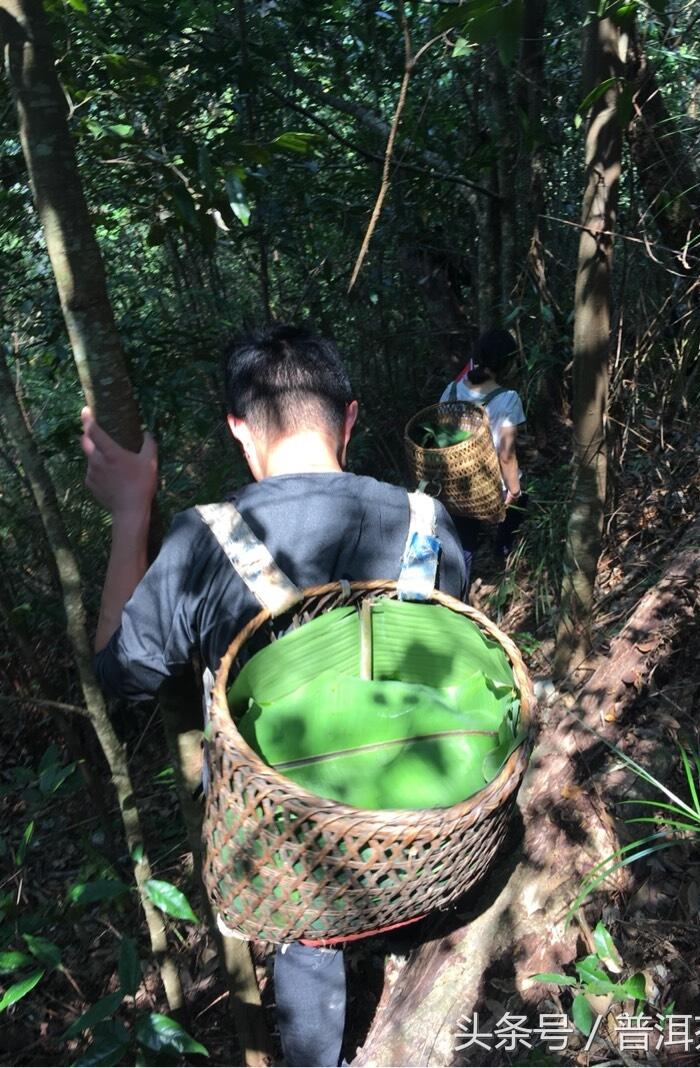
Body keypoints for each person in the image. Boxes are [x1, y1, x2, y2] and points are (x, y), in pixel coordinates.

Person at [81, 323, 468, 1068]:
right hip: (425, 836)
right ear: (349, 417)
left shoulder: (203, 541)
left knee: (306, 931)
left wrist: (133, 513)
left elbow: (122, 675)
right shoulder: (430, 524)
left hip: (297, 854)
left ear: (237, 428)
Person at [439, 328, 527, 579]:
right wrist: (515, 491)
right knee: (523, 494)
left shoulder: (451, 391)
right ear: (505, 362)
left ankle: (459, 595)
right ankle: (502, 555)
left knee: (463, 544)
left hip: (453, 485)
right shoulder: (508, 399)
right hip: (487, 490)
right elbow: (506, 455)